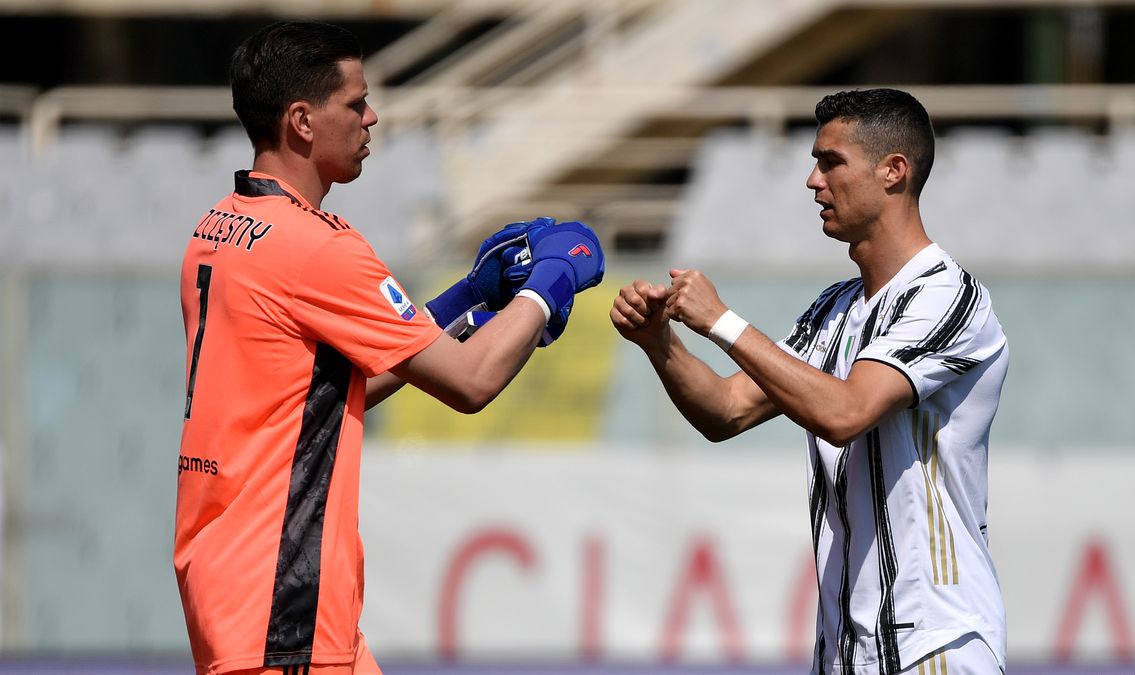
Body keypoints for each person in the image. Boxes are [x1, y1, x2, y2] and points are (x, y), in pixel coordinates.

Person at [175, 21, 603, 675]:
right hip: (279, 605)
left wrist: (466, 298)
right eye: (354, 102)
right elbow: (471, 381)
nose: (372, 117)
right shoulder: (316, 246)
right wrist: (552, 281)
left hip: (249, 585)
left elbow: (325, 389)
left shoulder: (217, 228)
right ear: (302, 121)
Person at [611, 88, 1008, 674]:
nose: (812, 181)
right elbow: (726, 410)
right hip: (846, 650)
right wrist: (657, 341)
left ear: (893, 171)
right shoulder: (837, 308)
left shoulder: (947, 295)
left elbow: (846, 414)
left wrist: (721, 320)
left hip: (935, 644)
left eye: (830, 161)